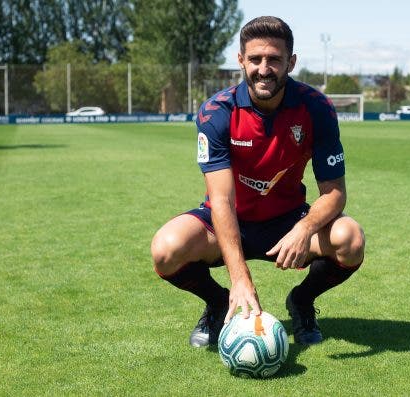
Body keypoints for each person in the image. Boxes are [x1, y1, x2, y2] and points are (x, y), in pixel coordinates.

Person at [151, 16, 365, 347]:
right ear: (241, 61)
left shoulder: (316, 109)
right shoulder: (216, 112)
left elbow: (334, 193)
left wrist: (304, 228)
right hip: (228, 219)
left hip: (288, 222)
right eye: (255, 59)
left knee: (349, 239)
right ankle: (218, 302)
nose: (264, 69)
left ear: (290, 63)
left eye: (274, 59)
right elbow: (221, 200)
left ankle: (302, 302)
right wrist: (239, 279)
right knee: (166, 249)